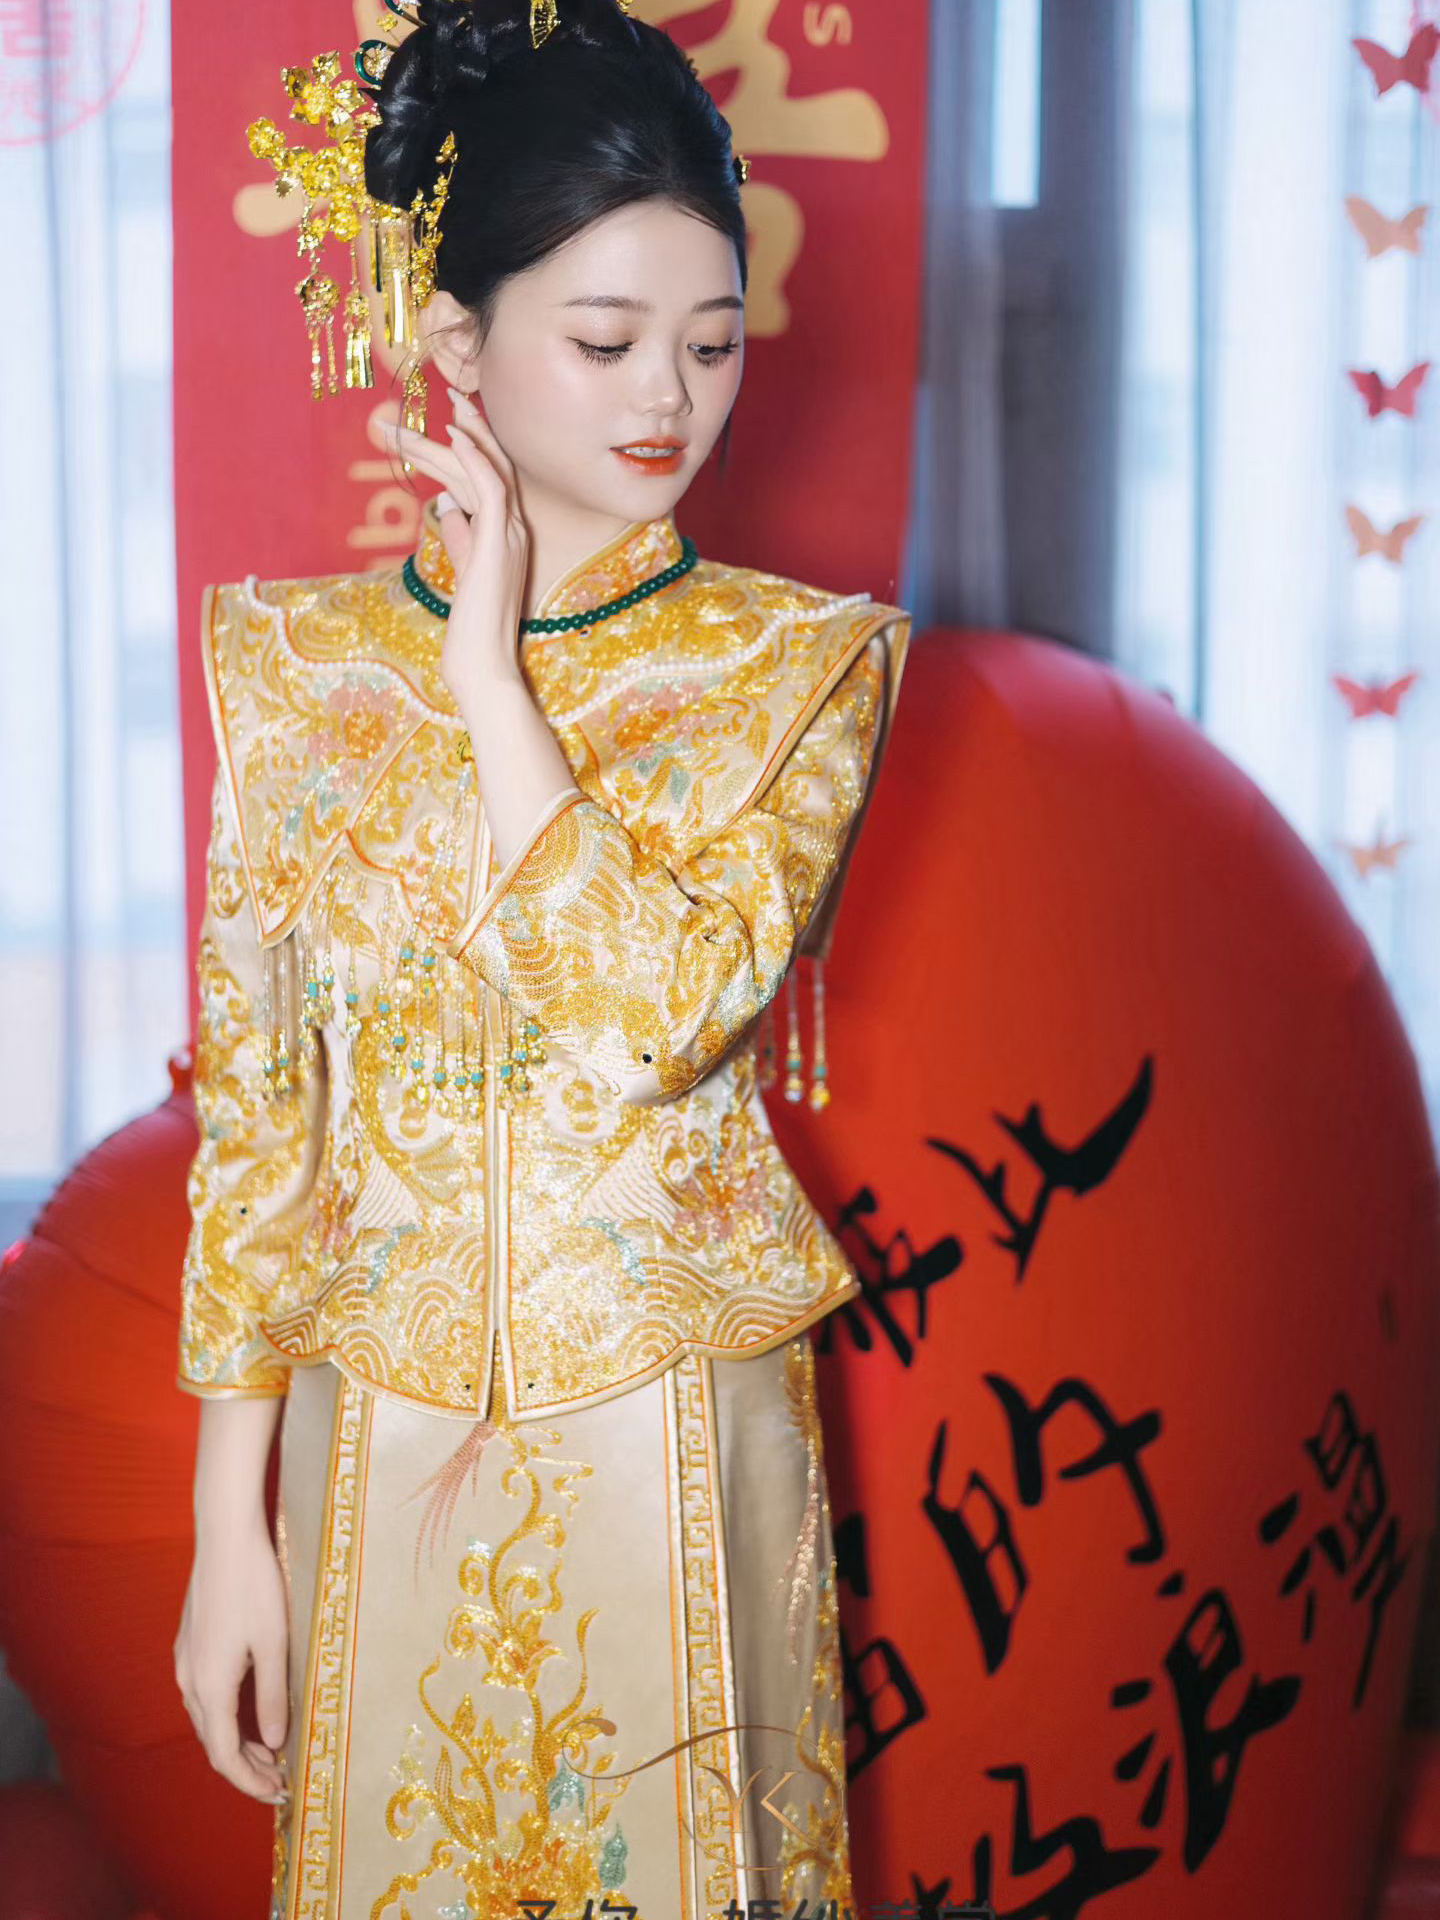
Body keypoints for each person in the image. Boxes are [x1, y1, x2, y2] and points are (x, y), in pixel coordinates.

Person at [171, 0, 912, 1912]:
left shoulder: (798, 669)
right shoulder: (291, 669)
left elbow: (658, 1018)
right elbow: (261, 1124)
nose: (669, 395)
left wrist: (492, 687)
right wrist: (227, 1526)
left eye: (712, 342)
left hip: (668, 1418)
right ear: (456, 347)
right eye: (604, 340)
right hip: (374, 1426)